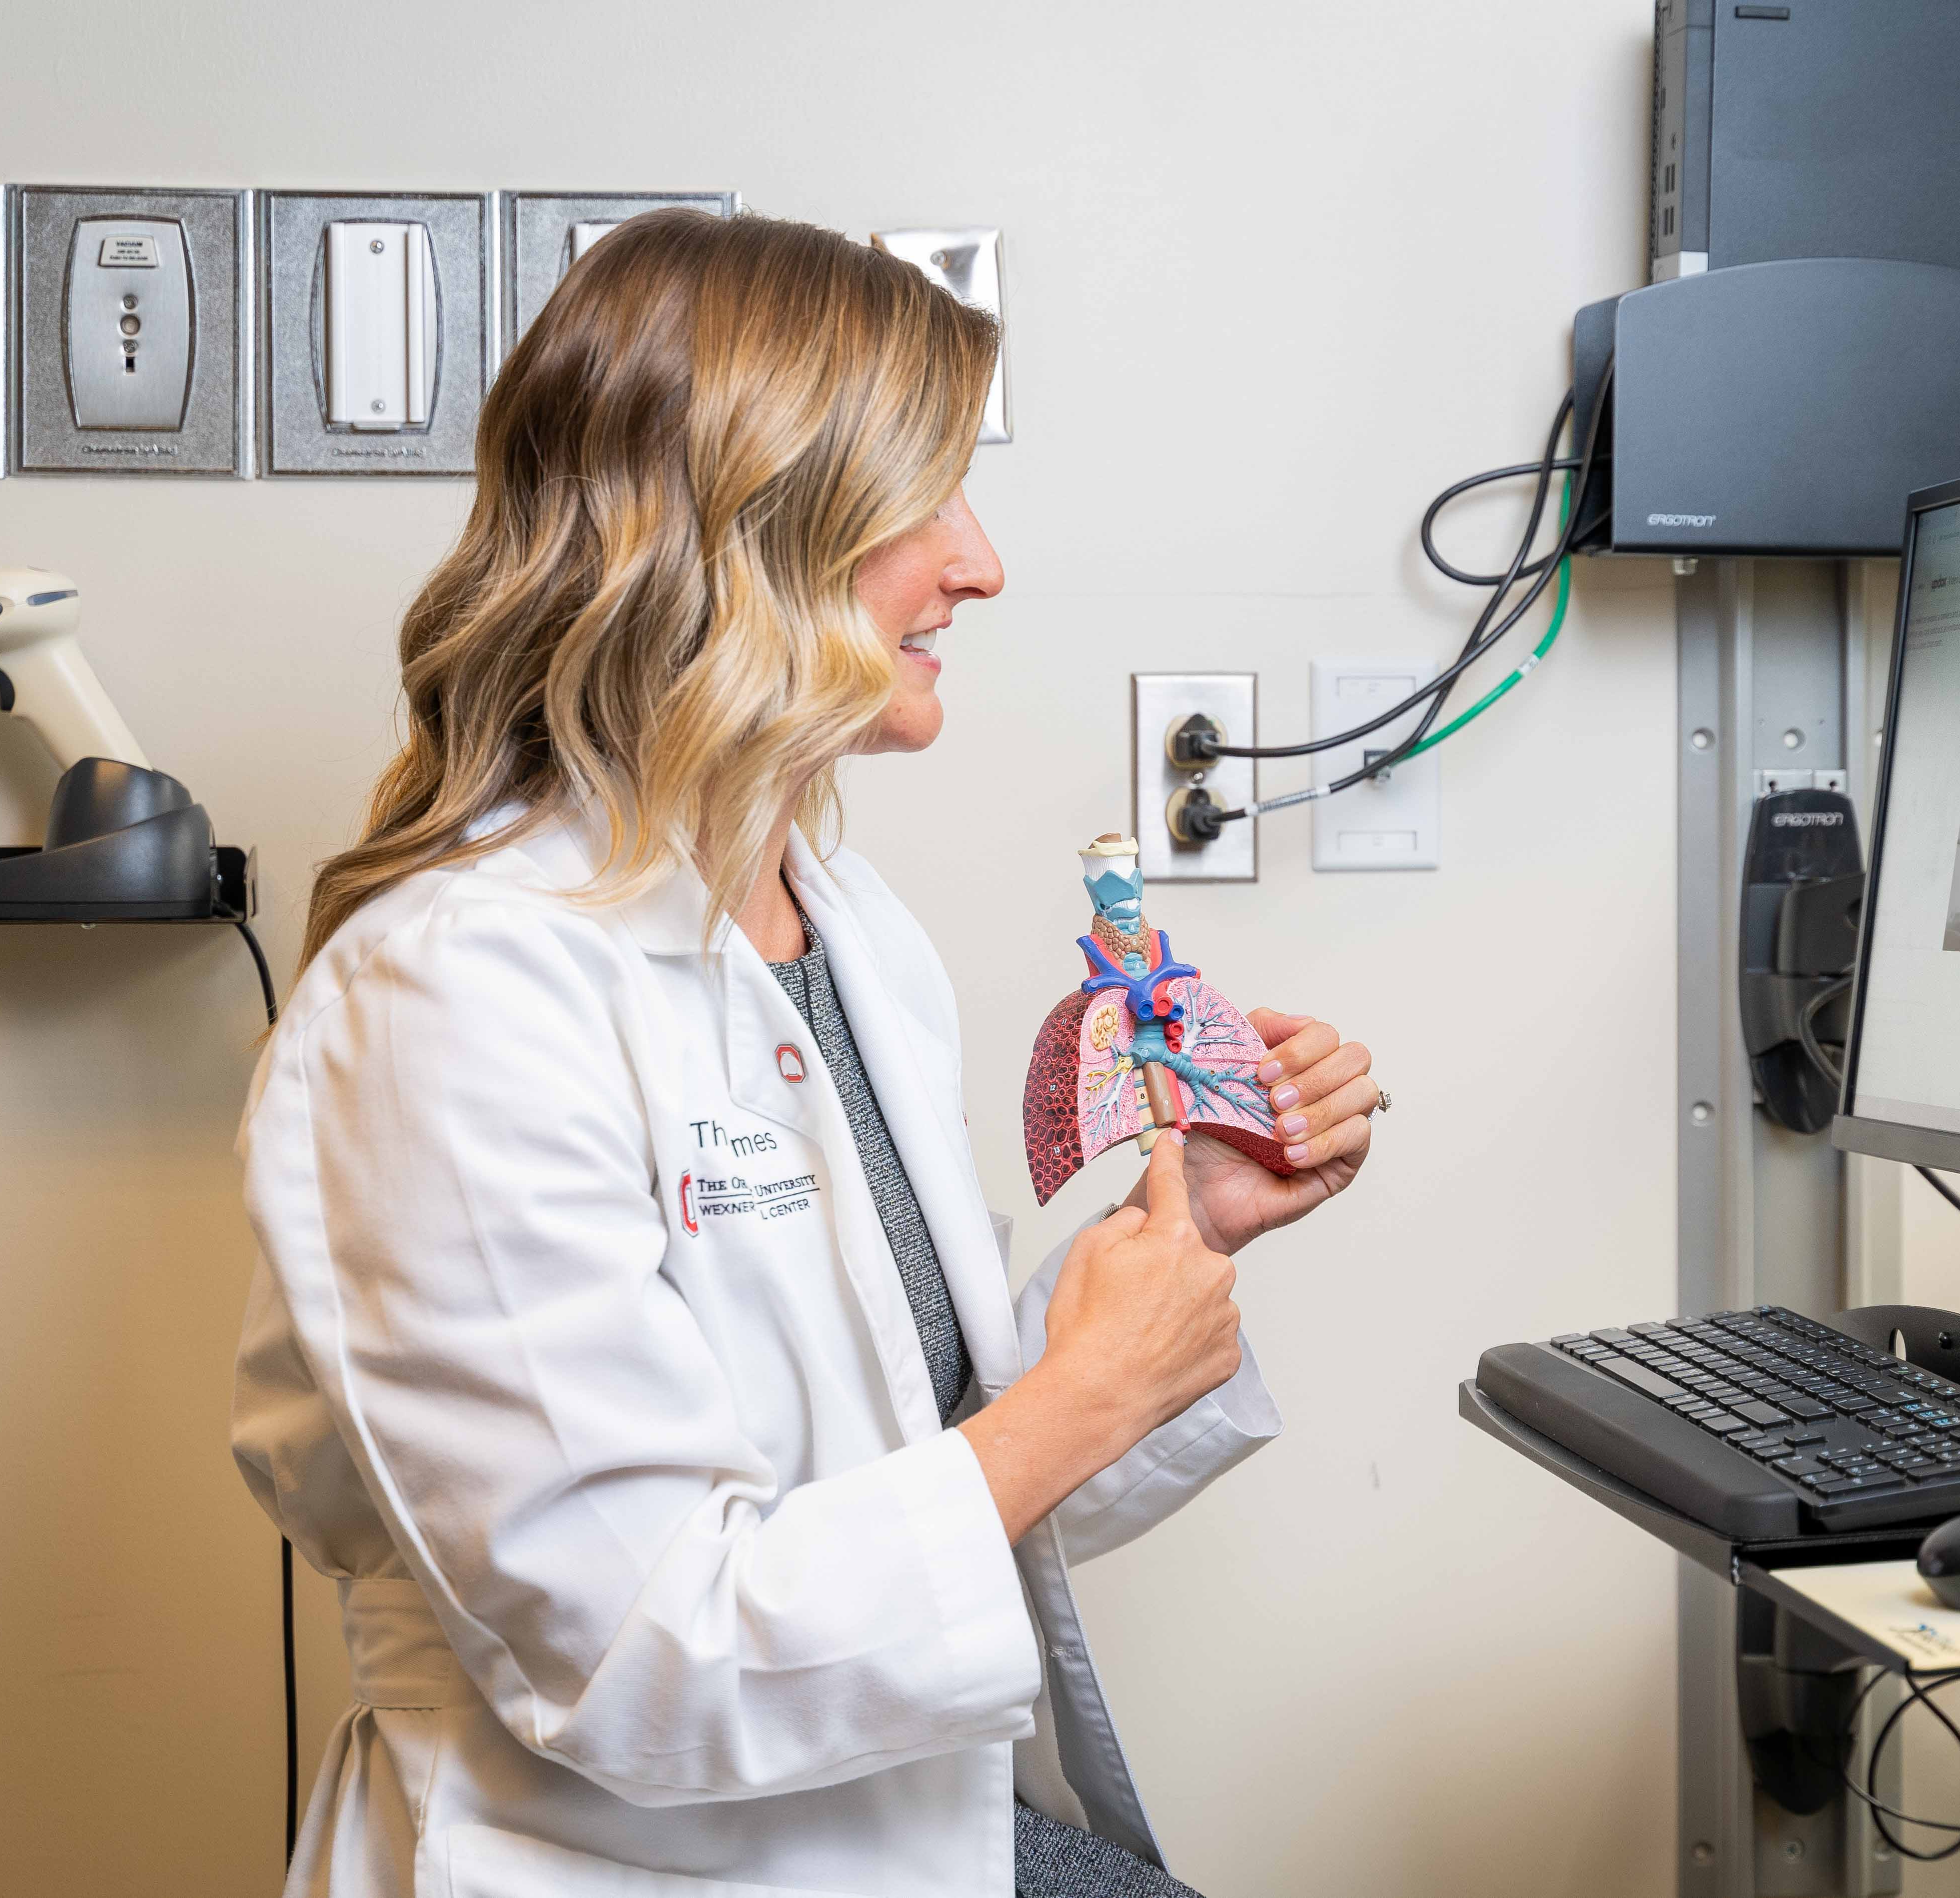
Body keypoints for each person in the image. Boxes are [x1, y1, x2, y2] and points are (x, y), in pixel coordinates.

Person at [230, 211, 1381, 1898]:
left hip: (905, 1831)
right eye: (922, 503)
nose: (979, 566)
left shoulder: (842, 924)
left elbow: (931, 1489)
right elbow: (639, 1655)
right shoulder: (451, 999)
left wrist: (1176, 1238)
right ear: (735, 536)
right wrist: (1089, 1389)